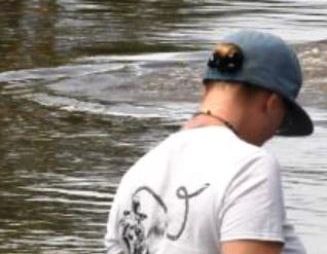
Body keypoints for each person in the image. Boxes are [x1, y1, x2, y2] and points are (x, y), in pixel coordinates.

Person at [105, 30, 312, 254]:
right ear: (272, 104)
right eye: (281, 122)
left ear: (206, 88)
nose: (272, 135)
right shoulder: (249, 168)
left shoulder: (137, 173)